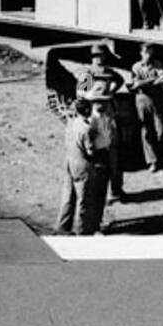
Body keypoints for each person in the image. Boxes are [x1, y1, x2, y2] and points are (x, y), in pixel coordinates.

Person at [79, 46, 126, 201]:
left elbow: (120, 80)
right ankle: (99, 193)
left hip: (108, 115)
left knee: (114, 155)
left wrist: (112, 90)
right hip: (95, 116)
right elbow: (80, 93)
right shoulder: (89, 73)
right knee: (99, 156)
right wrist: (91, 94)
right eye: (95, 56)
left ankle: (116, 189)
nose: (98, 59)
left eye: (101, 56)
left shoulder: (108, 72)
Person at [57, 97, 107, 236]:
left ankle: (62, 227)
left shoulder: (71, 124)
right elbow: (90, 151)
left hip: (69, 162)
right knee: (83, 200)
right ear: (86, 110)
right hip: (82, 165)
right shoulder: (86, 129)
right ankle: (81, 230)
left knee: (68, 197)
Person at [129, 42, 163, 173]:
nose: (148, 55)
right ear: (141, 53)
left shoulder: (157, 64)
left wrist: (144, 82)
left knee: (160, 129)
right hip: (142, 99)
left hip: (156, 99)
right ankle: (152, 160)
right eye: (145, 52)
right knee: (146, 130)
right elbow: (135, 84)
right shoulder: (136, 67)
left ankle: (160, 153)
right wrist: (152, 80)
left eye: (150, 52)